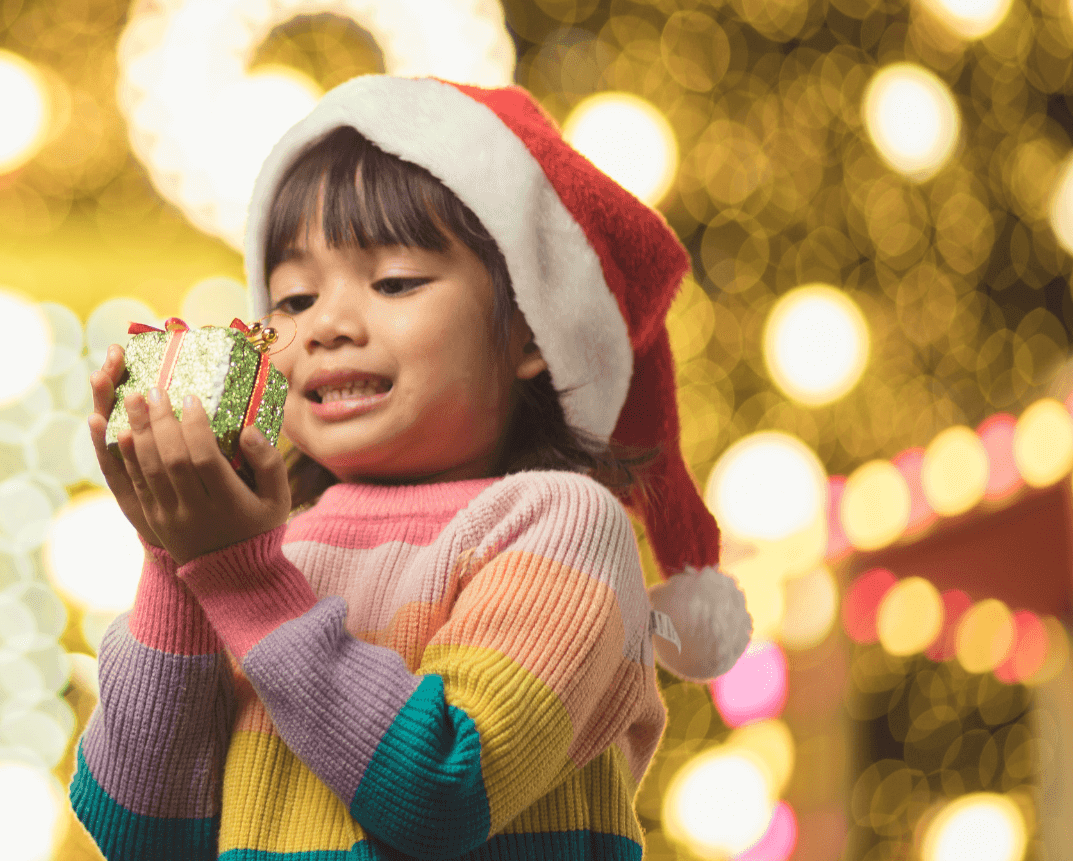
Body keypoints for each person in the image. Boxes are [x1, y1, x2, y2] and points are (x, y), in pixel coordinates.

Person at [68, 75, 752, 860]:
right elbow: (145, 834)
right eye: (292, 300)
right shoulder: (265, 549)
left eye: (393, 281)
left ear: (532, 332)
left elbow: (442, 790)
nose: (326, 324)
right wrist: (177, 557)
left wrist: (239, 578)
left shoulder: (559, 525)